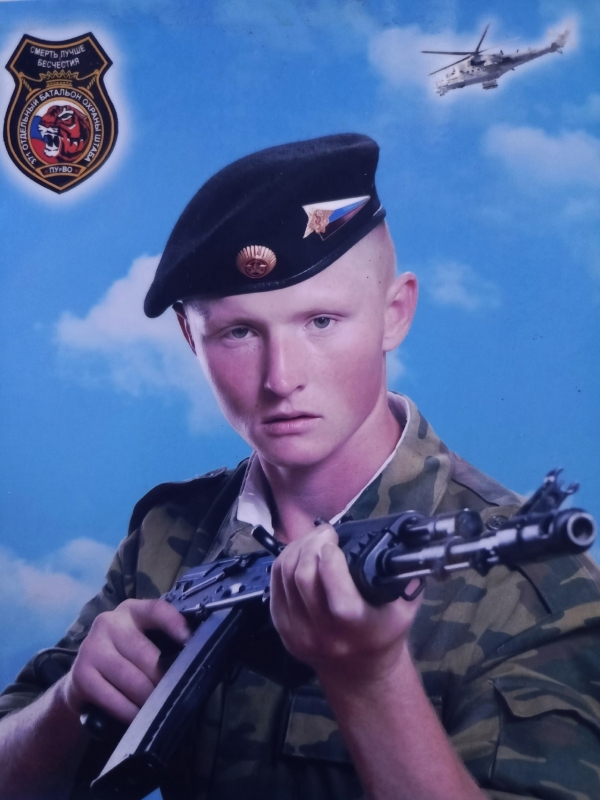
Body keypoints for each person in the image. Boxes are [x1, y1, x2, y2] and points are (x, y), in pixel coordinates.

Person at [1, 134, 599, 800]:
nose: (281, 379)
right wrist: (68, 706)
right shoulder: (168, 535)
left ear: (394, 314)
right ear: (190, 337)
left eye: (320, 321)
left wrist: (371, 683)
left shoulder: (532, 581)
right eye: (239, 332)